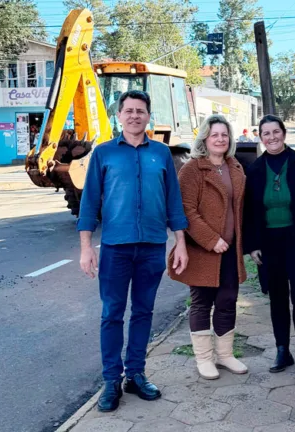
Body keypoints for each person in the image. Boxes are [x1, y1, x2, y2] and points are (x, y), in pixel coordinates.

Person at [78, 90, 189, 412]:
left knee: (143, 312)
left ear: (148, 116)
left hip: (153, 246)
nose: (134, 116)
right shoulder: (104, 153)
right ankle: (112, 380)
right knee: (112, 314)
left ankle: (136, 374)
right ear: (119, 115)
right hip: (116, 249)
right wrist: (86, 248)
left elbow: (173, 203)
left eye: (140, 111)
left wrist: (179, 242)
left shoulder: (161, 154)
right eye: (128, 110)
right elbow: (89, 204)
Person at [244, 114, 295, 376]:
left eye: (275, 131)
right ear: (260, 137)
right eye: (265, 133)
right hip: (269, 243)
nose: (271, 137)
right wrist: (253, 244)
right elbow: (249, 211)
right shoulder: (255, 170)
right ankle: (282, 351)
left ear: (284, 133)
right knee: (277, 299)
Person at [169, 115, 249, 380]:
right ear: (204, 137)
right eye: (215, 134)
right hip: (203, 249)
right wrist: (211, 239)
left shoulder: (234, 166)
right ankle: (204, 359)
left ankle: (225, 355)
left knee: (227, 301)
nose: (220, 139)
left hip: (231, 249)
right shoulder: (192, 169)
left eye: (224, 135)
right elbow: (186, 209)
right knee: (202, 303)